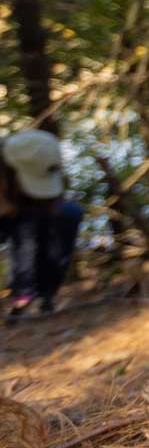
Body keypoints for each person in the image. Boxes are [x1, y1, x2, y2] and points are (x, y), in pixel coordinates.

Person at [1, 129, 84, 319]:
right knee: (24, 231)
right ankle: (24, 291)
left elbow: (53, 201)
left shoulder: (43, 155)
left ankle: (42, 294)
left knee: (68, 214)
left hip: (24, 210)